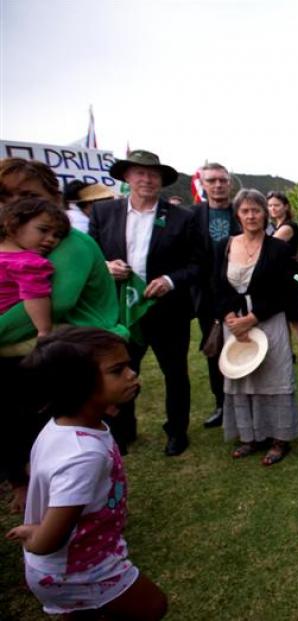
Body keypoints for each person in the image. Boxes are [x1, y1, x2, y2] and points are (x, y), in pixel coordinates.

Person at [5, 326, 167, 620]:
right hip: (80, 569)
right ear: (78, 385)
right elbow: (47, 541)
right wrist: (34, 534)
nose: (131, 374)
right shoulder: (83, 456)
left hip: (80, 559)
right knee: (153, 606)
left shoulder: (61, 424)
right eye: (118, 370)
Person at [0, 158, 125, 514]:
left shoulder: (70, 244)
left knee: (68, 451)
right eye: (7, 197)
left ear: (53, 196)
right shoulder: (28, 244)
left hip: (71, 359)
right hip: (48, 359)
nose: (16, 205)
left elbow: (52, 303)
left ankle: (72, 521)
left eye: (27, 194)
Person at [88, 150, 201, 457]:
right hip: (123, 313)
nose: (147, 179)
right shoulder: (103, 213)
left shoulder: (182, 217)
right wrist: (105, 266)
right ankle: (124, 431)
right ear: (127, 176)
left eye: (153, 175)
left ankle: (177, 432)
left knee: (175, 374)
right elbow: (91, 258)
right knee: (121, 372)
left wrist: (169, 280)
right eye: (140, 173)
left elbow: (196, 264)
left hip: (167, 312)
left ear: (161, 181)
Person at [214, 189, 298, 466]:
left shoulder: (278, 248)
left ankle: (278, 438)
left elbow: (287, 291)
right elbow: (214, 285)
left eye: (257, 210)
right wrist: (228, 315)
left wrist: (253, 317)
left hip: (267, 321)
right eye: (245, 211)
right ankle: (249, 436)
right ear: (237, 215)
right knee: (242, 377)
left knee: (272, 376)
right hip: (234, 324)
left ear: (266, 213)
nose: (251, 216)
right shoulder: (224, 246)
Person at [192, 162, 241, 429]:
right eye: (212, 181)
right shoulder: (193, 215)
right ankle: (221, 403)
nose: (218, 185)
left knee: (242, 345)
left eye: (222, 180)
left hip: (238, 294)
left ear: (229, 182)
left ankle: (245, 402)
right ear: (203, 183)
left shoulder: (242, 211)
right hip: (207, 299)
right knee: (214, 350)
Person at [0, 198, 71, 337]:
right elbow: (35, 297)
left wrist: (43, 330)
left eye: (57, 235)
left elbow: (34, 296)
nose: (51, 239)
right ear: (12, 224)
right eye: (43, 230)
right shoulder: (28, 263)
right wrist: (44, 331)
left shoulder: (26, 261)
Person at [266, 191, 298, 370]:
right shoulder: (274, 226)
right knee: (282, 316)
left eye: (276, 205)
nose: (273, 208)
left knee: (295, 317)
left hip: (289, 276)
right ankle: (287, 353)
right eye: (269, 205)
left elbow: (268, 246)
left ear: (285, 206)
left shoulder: (288, 227)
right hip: (278, 276)